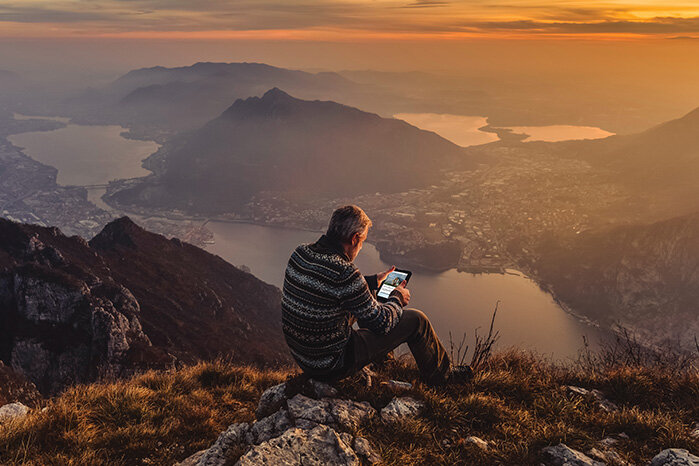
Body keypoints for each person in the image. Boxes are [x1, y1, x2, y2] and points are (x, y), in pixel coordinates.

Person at [281, 204, 472, 386]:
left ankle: (384, 364)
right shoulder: (345, 272)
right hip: (331, 364)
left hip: (304, 356)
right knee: (417, 321)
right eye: (362, 242)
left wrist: (372, 281)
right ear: (355, 238)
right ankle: (443, 377)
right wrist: (397, 299)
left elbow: (326, 285)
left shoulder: (300, 253)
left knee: (370, 294)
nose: (361, 247)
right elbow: (382, 324)